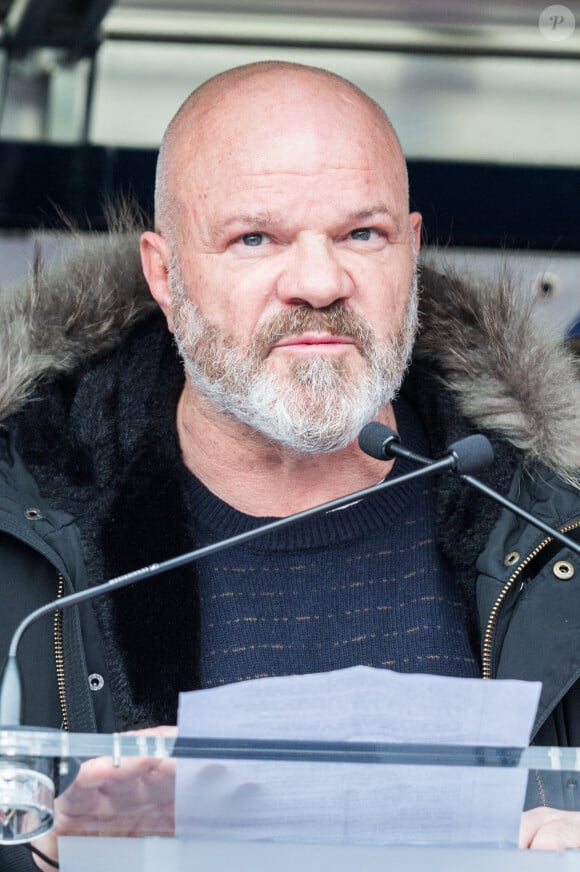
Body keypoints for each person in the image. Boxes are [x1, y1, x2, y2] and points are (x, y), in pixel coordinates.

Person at [0, 61, 579, 869]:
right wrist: (43, 852)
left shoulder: (554, 526)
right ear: (164, 275)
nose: (317, 282)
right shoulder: (19, 539)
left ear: (410, 251)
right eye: (255, 238)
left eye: (361, 234)